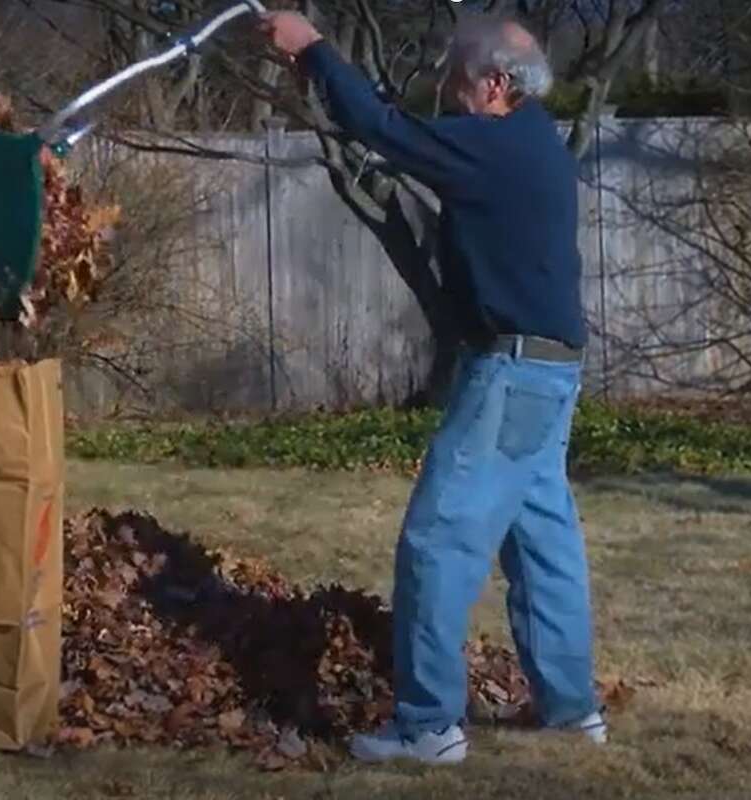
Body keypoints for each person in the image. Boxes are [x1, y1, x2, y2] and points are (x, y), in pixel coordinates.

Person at [260, 12, 607, 765]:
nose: (443, 96)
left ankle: (427, 725)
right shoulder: (533, 141)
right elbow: (392, 127)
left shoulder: (496, 146)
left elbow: (387, 131)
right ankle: (572, 710)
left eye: (452, 82)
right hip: (550, 372)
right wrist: (322, 78)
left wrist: (316, 49)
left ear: (493, 84)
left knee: (435, 540)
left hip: (511, 374)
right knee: (542, 543)